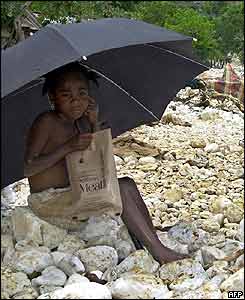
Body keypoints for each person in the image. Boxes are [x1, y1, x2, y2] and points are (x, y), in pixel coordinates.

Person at [24, 62, 187, 264]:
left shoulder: (80, 123)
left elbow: (102, 167)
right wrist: (67, 147)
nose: (76, 101)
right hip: (48, 202)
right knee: (120, 189)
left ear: (90, 98)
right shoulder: (47, 121)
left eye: (82, 94)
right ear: (52, 98)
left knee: (126, 183)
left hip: (74, 192)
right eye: (66, 95)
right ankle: (158, 251)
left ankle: (149, 234)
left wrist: (94, 124)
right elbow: (29, 167)